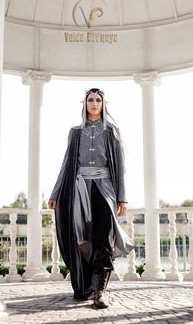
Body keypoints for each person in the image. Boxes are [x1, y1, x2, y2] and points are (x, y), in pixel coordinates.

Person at [48, 88, 135, 309]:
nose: (94, 103)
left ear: (104, 104)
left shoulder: (111, 132)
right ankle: (85, 286)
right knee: (83, 239)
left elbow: (120, 166)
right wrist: (56, 192)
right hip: (79, 189)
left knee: (103, 239)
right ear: (84, 103)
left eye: (98, 100)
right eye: (90, 100)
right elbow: (67, 163)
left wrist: (121, 197)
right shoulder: (75, 132)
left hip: (104, 188)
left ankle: (100, 293)